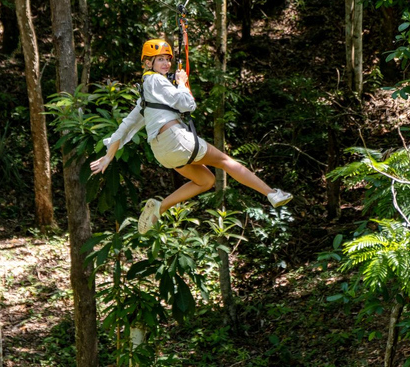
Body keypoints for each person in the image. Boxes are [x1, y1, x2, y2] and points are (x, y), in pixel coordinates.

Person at [90, 39, 292, 233]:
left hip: (163, 153)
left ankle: (160, 208)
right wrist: (182, 83)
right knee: (225, 161)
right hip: (176, 139)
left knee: (206, 180)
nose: (166, 63)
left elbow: (125, 127)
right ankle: (271, 194)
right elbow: (187, 104)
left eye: (167, 59)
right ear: (147, 63)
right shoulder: (156, 80)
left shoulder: (146, 95)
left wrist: (109, 155)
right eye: (160, 59)